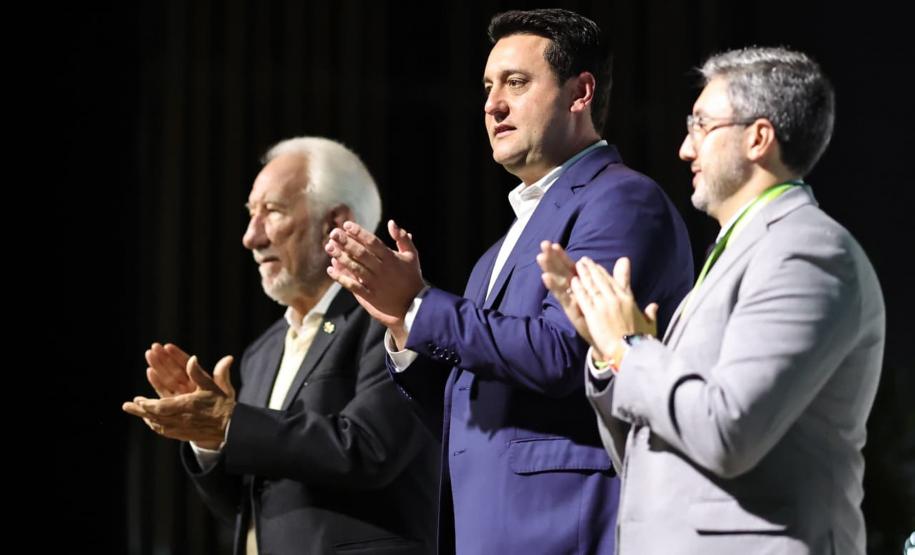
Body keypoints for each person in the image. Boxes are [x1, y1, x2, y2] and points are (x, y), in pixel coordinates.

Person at [324, 9, 693, 554]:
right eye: (488, 87)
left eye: (516, 83)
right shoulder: (498, 251)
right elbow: (470, 399)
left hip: (563, 523)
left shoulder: (620, 200)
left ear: (580, 92)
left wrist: (424, 305)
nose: (493, 104)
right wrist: (405, 327)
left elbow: (568, 354)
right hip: (490, 527)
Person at [539, 47, 884, 554]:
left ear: (758, 137)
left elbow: (729, 431)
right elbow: (646, 449)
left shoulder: (807, 251)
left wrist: (629, 349)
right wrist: (609, 357)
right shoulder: (741, 254)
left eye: (701, 124)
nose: (685, 147)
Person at [123, 137, 438, 555]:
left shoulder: (394, 318)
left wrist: (231, 422)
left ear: (335, 222)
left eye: (272, 212)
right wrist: (211, 440)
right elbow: (247, 505)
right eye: (251, 214)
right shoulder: (262, 352)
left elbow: (370, 448)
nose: (250, 237)